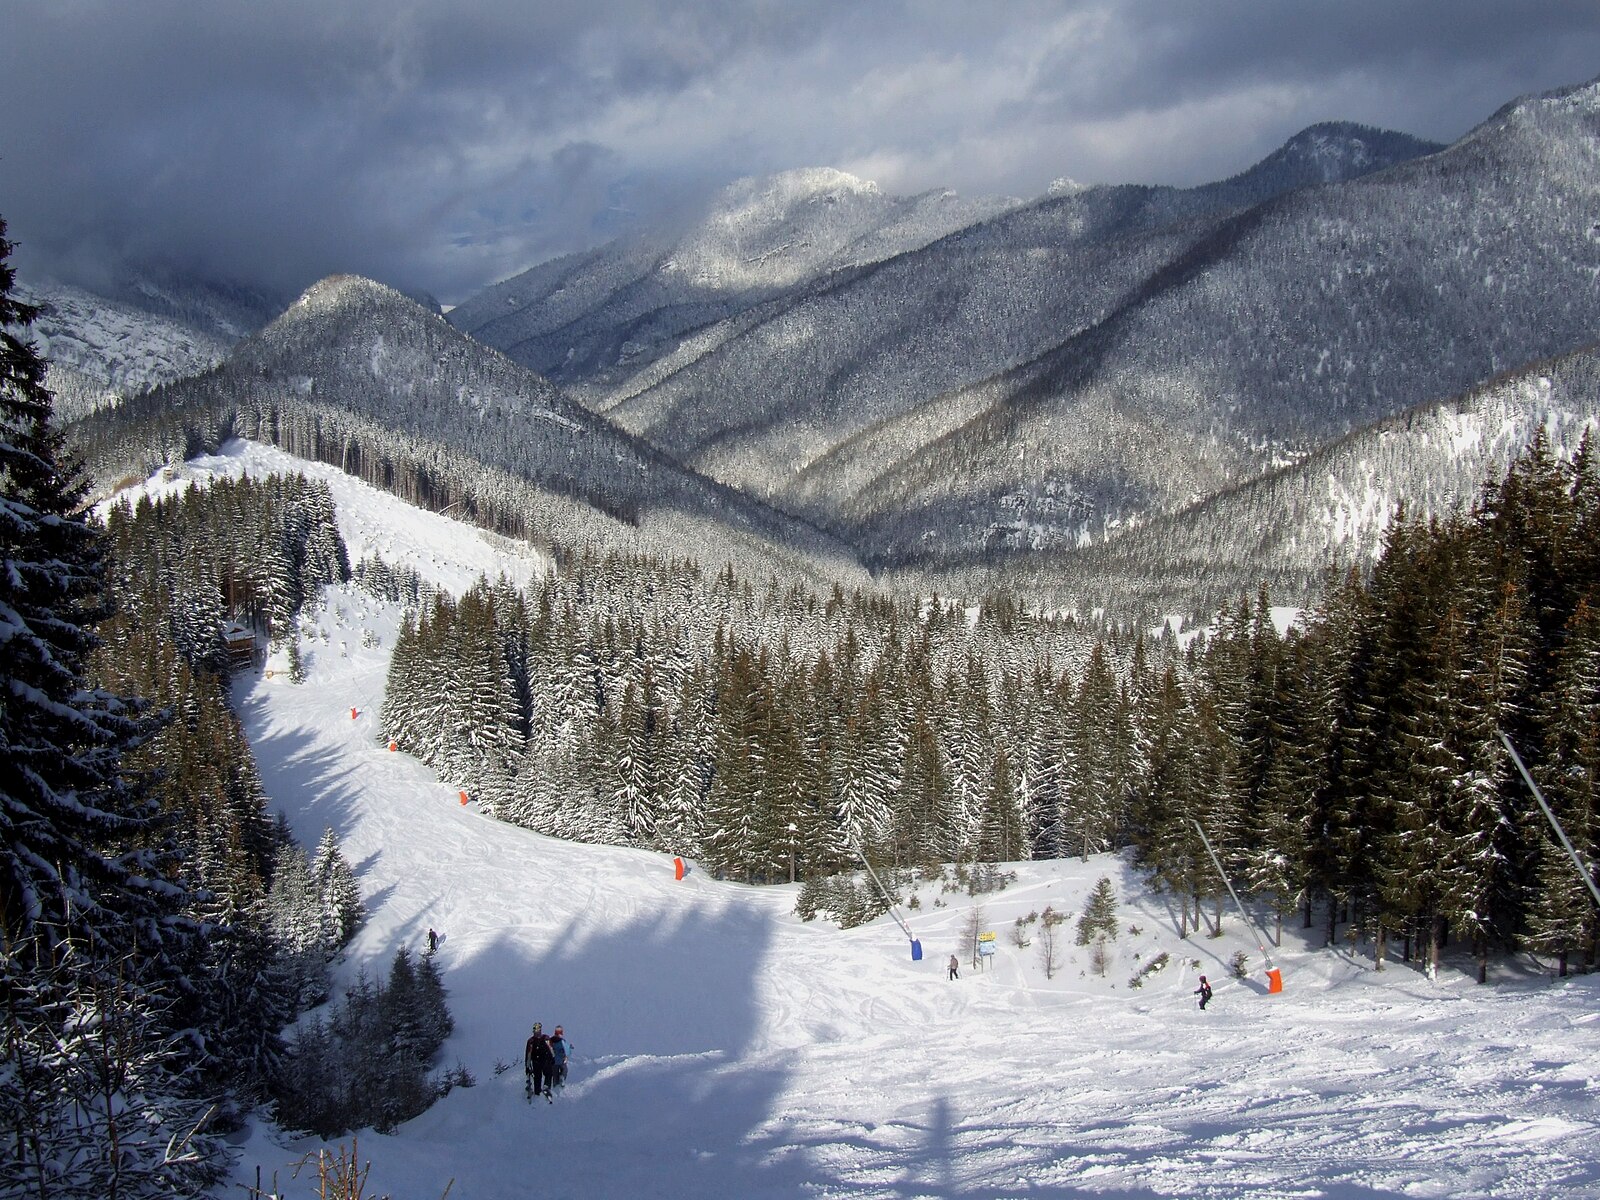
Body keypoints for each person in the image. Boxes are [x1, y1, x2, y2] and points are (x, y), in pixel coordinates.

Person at [525, 1022, 556, 1101]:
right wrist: (527, 1066)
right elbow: (528, 1054)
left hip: (541, 1061)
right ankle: (540, 1090)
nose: (536, 1032)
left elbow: (551, 1048)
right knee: (541, 1076)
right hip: (540, 1061)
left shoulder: (536, 1040)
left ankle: (542, 1089)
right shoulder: (536, 1040)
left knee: (544, 1075)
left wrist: (553, 1057)